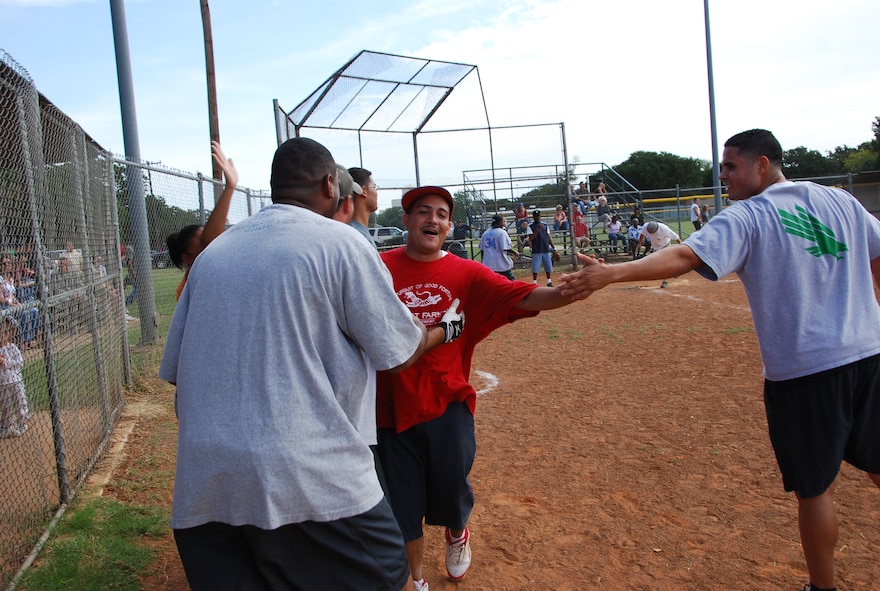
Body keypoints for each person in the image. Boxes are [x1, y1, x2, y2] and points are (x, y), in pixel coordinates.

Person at [558, 129, 880, 591]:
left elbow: (686, 256)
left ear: (762, 165)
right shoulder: (840, 200)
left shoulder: (751, 214)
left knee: (815, 491)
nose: (723, 176)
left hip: (807, 371)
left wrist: (612, 273)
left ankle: (822, 587)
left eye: (731, 167)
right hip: (871, 353)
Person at [158, 137, 464, 591]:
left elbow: (176, 372)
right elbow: (399, 351)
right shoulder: (340, 244)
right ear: (328, 184)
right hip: (308, 478)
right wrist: (447, 328)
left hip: (205, 486)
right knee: (387, 573)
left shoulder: (211, 257)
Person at [376, 186, 587, 591]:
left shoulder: (466, 273)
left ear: (449, 225)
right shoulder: (377, 268)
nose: (432, 220)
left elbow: (525, 297)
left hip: (446, 401)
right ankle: (415, 581)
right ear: (406, 221)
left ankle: (456, 531)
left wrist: (573, 290)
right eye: (422, 212)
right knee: (402, 506)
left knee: (452, 485)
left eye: (440, 214)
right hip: (388, 408)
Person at [167, 141, 238, 300]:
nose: (213, 245)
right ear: (187, 258)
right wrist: (230, 187)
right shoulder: (190, 284)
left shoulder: (219, 269)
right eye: (204, 245)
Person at [0, 316, 28, 438]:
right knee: (5, 405)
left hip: (15, 381)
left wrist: (6, 361)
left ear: (7, 334)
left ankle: (23, 423)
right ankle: (7, 426)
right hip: (2, 383)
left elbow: (20, 362)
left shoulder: (12, 347)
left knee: (19, 402)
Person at [636, 221, 681, 288]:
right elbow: (642, 234)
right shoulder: (646, 226)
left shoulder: (664, 229)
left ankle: (665, 281)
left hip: (665, 246)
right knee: (656, 263)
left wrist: (682, 247)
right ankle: (674, 270)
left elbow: (677, 238)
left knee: (664, 263)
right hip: (655, 247)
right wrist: (640, 243)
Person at [478, 214, 518, 280]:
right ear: (500, 222)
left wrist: (484, 261)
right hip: (501, 265)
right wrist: (515, 253)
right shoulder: (502, 232)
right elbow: (505, 248)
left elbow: (482, 250)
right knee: (511, 283)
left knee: (492, 284)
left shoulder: (485, 233)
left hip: (488, 265)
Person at [348, 167, 379, 245]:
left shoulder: (354, 231)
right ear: (364, 191)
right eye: (374, 187)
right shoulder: (357, 236)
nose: (376, 192)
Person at [526, 209, 556, 286]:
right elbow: (531, 238)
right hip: (537, 248)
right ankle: (534, 282)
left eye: (538, 216)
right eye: (535, 216)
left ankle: (549, 281)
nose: (537, 218)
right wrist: (537, 230)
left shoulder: (545, 225)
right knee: (535, 267)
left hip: (545, 248)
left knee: (548, 266)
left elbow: (548, 237)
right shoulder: (530, 226)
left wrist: (553, 247)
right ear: (533, 217)